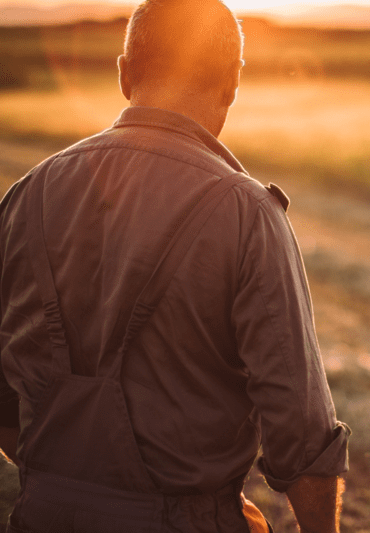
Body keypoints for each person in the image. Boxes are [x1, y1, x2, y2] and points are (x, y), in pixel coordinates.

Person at [0, 0, 350, 531]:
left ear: (123, 76)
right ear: (232, 84)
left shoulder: (26, 196)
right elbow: (300, 429)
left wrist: (69, 488)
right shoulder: (247, 213)